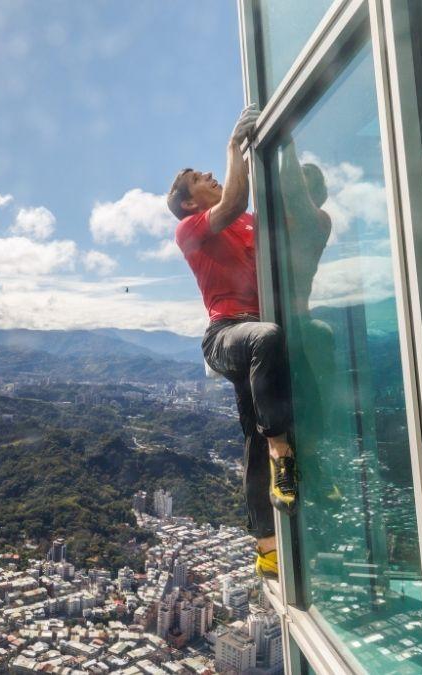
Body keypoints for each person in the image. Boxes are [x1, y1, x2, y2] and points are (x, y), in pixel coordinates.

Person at [166, 104, 296, 578]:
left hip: (258, 335)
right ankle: (284, 452)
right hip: (226, 335)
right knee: (267, 338)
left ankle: (266, 548)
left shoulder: (245, 223)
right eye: (199, 177)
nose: (210, 175)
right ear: (188, 203)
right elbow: (236, 202)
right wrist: (233, 148)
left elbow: (285, 228)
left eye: (209, 170)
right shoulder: (192, 228)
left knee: (250, 435)